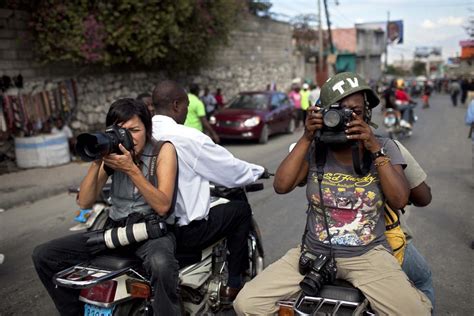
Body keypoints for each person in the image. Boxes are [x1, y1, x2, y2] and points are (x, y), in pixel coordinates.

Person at [234, 72, 432, 315]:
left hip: (367, 255)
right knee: (246, 303)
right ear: (324, 113)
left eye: (356, 112)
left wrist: (374, 149)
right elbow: (281, 186)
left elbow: (400, 199)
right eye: (340, 111)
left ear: (367, 113)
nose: (348, 118)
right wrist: (307, 136)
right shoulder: (316, 148)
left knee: (416, 312)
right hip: (312, 254)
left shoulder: (384, 146)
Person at [32, 98, 181, 315]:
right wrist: (96, 159)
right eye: (121, 131)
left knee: (161, 265)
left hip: (151, 233)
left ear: (147, 130)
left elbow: (163, 205)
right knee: (44, 255)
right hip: (115, 231)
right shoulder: (113, 156)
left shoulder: (162, 150)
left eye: (135, 130)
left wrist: (131, 169)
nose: (128, 137)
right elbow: (84, 202)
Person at [151, 80, 266, 302]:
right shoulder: (189, 137)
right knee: (240, 210)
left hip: (153, 227)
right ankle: (234, 285)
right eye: (185, 106)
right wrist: (259, 171)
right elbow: (230, 171)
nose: (186, 111)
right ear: (176, 105)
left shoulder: (142, 132)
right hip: (186, 233)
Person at [393, 140, 435, 307]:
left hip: (320, 247)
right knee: (422, 280)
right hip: (382, 246)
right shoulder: (386, 146)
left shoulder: (315, 145)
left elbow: (302, 180)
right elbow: (423, 197)